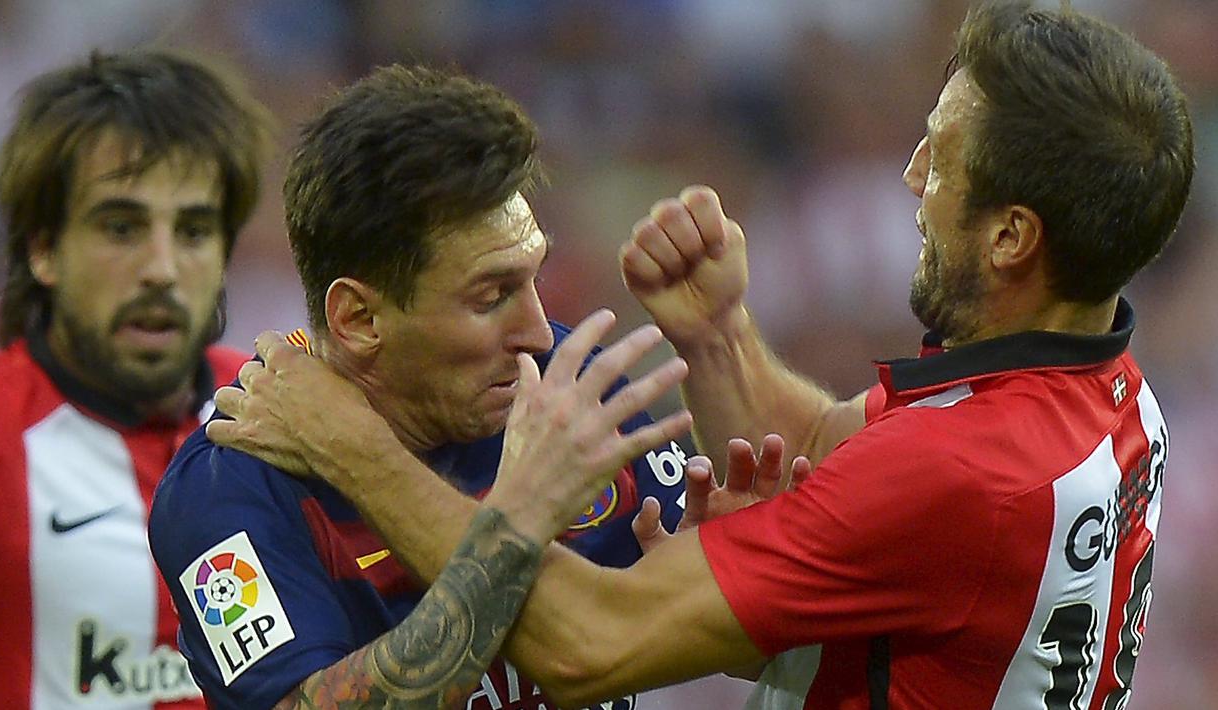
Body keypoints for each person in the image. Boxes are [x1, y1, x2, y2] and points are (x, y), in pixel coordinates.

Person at [205, 2, 1194, 708]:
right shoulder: (1106, 395)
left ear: (1012, 236)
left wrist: (355, 449)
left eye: (941, 157)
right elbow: (837, 452)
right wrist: (718, 335)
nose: (909, 175)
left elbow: (586, 647)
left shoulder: (965, 473)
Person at [146, 64, 696, 709]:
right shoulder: (230, 489)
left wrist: (720, 340)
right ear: (359, 318)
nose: (538, 332)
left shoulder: (565, 389)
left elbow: (744, 629)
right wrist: (519, 524)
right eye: (492, 297)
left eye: (533, 278)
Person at [0, 50, 271, 708]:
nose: (162, 269)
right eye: (122, 227)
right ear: (43, 248)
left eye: (194, 230)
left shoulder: (283, 417)